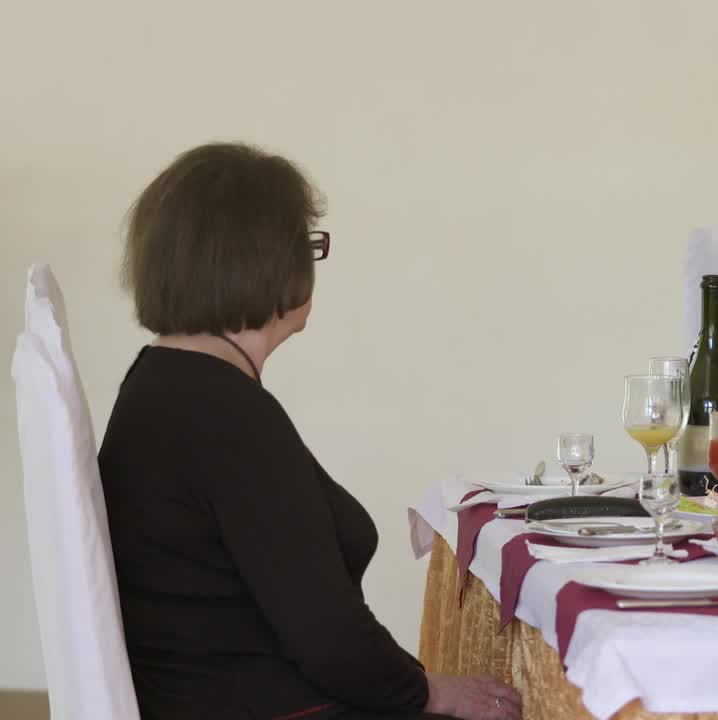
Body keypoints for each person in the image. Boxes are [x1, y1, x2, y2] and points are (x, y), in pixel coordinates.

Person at [98, 143, 522, 720]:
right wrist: (432, 692)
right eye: (307, 246)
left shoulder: (164, 383)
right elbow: (328, 637)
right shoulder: (224, 414)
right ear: (264, 261)